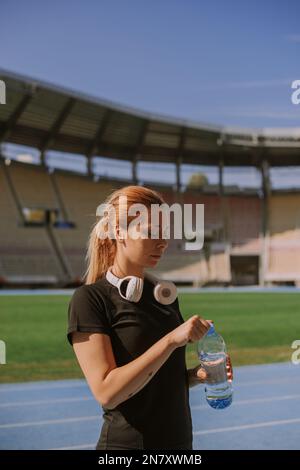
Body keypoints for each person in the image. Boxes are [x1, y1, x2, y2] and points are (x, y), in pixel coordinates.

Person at [67, 185, 233, 450]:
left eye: (165, 233)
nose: (163, 242)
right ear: (119, 232)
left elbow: (160, 378)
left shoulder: (163, 296)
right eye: (151, 232)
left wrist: (196, 376)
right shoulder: (89, 300)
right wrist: (171, 340)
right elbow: (107, 393)